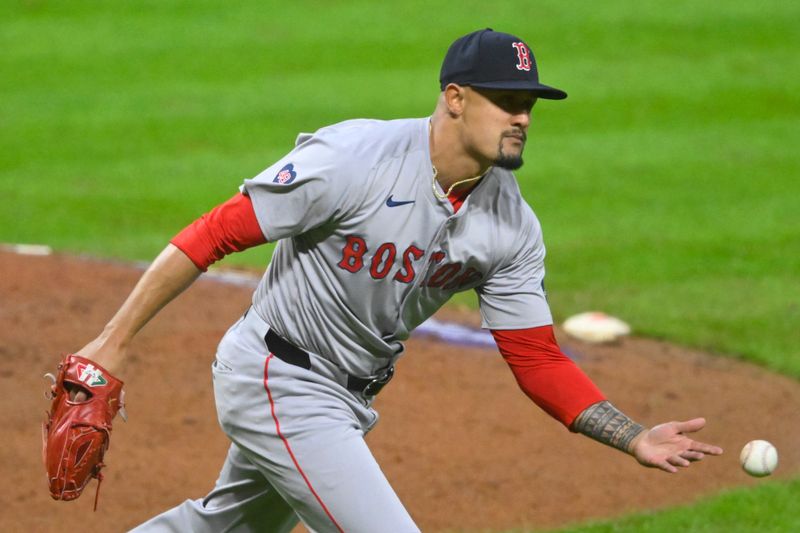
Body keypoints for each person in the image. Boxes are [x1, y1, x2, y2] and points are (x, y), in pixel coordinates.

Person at [68, 29, 722, 532]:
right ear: (456, 100)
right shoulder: (353, 160)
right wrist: (112, 341)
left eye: (529, 104)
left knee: (224, 526)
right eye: (506, 102)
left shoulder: (510, 225)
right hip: (278, 374)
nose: (521, 117)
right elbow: (215, 232)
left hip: (346, 399)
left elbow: (537, 355)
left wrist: (632, 434)